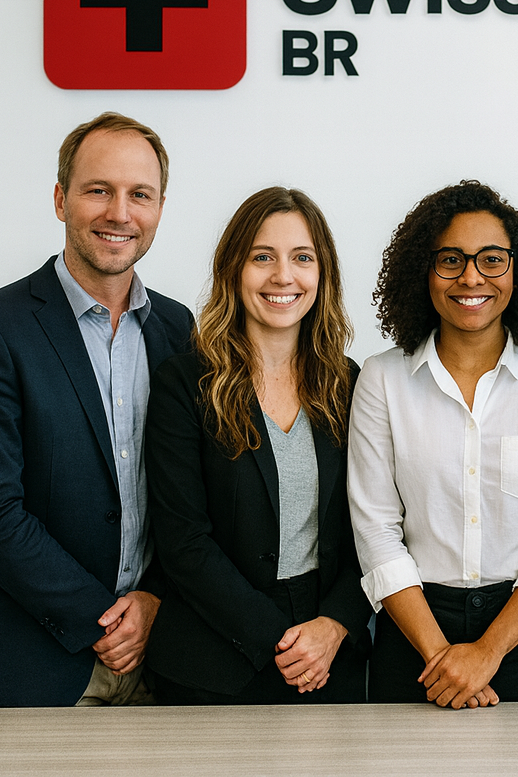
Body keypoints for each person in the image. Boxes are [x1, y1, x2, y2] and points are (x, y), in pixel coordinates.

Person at [0, 112, 193, 707]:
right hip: (30, 662)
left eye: (140, 194)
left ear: (160, 208)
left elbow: (189, 494)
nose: (120, 213)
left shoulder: (178, 329)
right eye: (98, 190)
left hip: (161, 656)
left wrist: (154, 599)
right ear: (61, 199)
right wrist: (102, 619)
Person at [347, 180, 518, 708]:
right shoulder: (382, 379)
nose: (471, 277)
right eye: (451, 260)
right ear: (424, 270)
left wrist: (486, 652)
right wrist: (443, 658)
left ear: (517, 270)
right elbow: (375, 530)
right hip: (414, 637)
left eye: (491, 259)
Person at [143, 187, 370, 704]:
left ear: (323, 274)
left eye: (302, 258)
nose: (283, 276)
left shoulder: (349, 383)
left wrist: (335, 623)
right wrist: (279, 640)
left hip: (329, 655)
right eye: (262, 257)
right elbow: (183, 541)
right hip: (213, 661)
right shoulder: (185, 383)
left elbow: (375, 524)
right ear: (233, 269)